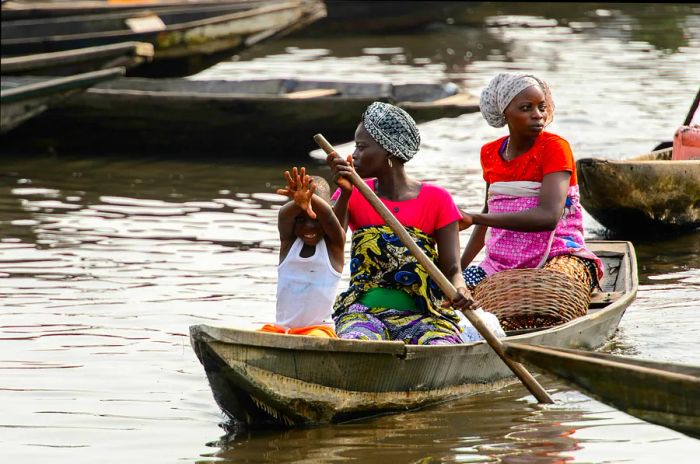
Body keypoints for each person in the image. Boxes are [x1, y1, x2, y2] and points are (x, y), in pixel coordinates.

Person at [326, 101, 475, 345]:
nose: (354, 155)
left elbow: (452, 269)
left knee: (439, 347)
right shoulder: (352, 193)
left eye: (362, 147)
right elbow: (331, 241)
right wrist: (343, 193)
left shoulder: (437, 199)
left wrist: (460, 289)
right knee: (358, 342)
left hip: (425, 315)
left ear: (390, 151)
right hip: (364, 314)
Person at [460, 73, 603, 293]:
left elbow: (548, 217)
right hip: (499, 262)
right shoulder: (490, 153)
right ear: (504, 113)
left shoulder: (555, 147)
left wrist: (473, 218)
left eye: (542, 107)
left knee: (550, 292)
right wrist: (458, 269)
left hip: (558, 252)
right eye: (526, 108)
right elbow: (490, 211)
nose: (538, 115)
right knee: (450, 298)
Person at [262, 167, 345, 338]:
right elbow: (283, 216)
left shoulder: (334, 247)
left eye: (315, 219)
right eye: (300, 220)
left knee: (314, 339)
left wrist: (309, 197)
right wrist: (297, 201)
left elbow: (329, 216)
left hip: (319, 331)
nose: (308, 226)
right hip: (283, 330)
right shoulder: (288, 244)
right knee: (258, 334)